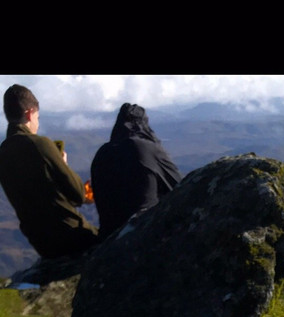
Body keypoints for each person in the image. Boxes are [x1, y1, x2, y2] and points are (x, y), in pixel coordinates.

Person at [0, 84, 98, 259]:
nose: (37, 123)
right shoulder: (40, 144)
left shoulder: (3, 153)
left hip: (41, 244)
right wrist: (63, 166)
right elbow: (77, 195)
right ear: (29, 113)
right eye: (38, 117)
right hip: (73, 236)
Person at [91, 103, 181, 239]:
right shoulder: (146, 148)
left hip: (107, 236)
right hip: (142, 233)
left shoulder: (102, 152)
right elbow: (180, 185)